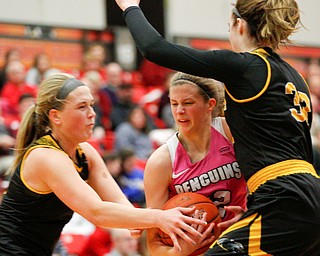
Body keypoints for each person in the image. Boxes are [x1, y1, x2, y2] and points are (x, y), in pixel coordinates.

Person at [114, 0, 320, 254]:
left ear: (239, 25)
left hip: (281, 197)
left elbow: (154, 48)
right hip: (309, 192)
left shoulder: (245, 67)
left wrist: (129, 7)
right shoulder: (296, 78)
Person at [0, 73, 209, 255]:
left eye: (92, 104)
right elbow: (97, 212)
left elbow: (117, 199)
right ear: (56, 116)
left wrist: (136, 221)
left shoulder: (86, 153)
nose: (92, 113)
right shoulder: (45, 157)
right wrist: (158, 217)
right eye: (82, 107)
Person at [143, 72, 247, 256]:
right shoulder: (162, 161)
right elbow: (154, 245)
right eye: (174, 103)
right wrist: (180, 251)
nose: (179, 111)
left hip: (241, 239)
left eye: (188, 103)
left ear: (210, 104)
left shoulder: (232, 132)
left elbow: (267, 181)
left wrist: (251, 214)